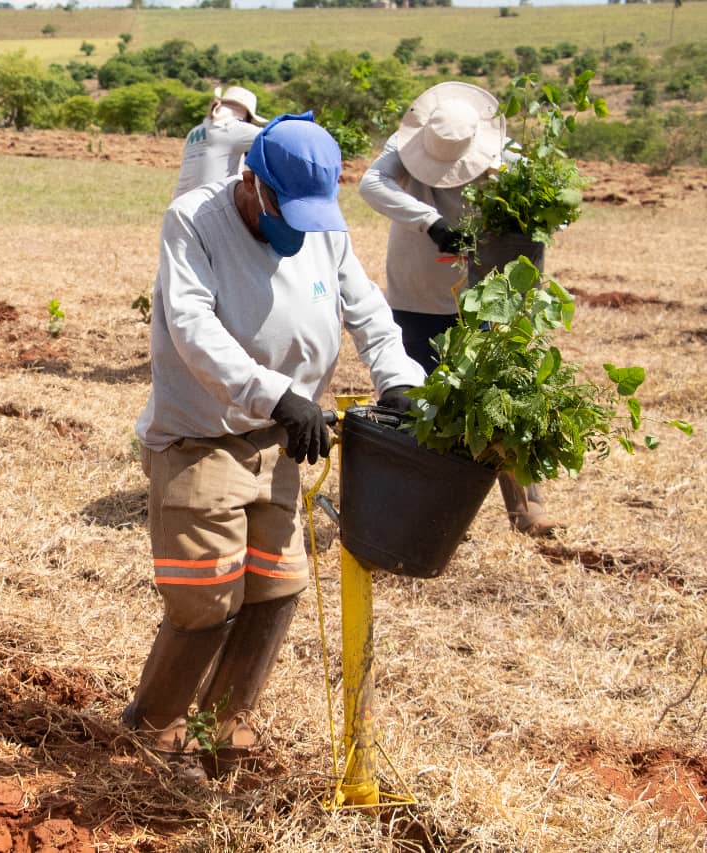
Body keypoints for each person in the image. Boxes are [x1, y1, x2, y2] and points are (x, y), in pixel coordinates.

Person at [126, 113, 426, 781]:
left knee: (277, 587)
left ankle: (223, 731)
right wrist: (277, 394)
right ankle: (153, 730)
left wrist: (400, 378)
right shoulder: (194, 221)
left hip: (283, 442)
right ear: (251, 180)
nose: (296, 227)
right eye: (283, 208)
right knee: (206, 600)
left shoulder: (323, 227)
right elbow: (193, 329)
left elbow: (369, 310)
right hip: (203, 438)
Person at [358, 81, 561, 537]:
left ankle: (527, 509)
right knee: (420, 398)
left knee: (501, 395)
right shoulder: (405, 143)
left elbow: (544, 214)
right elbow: (371, 183)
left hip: (481, 295)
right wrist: (428, 221)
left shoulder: (505, 154)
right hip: (415, 292)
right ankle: (426, 508)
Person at [170, 85, 267, 200]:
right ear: (245, 114)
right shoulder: (233, 128)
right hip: (208, 207)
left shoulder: (194, 131)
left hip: (178, 205)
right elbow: (274, 138)